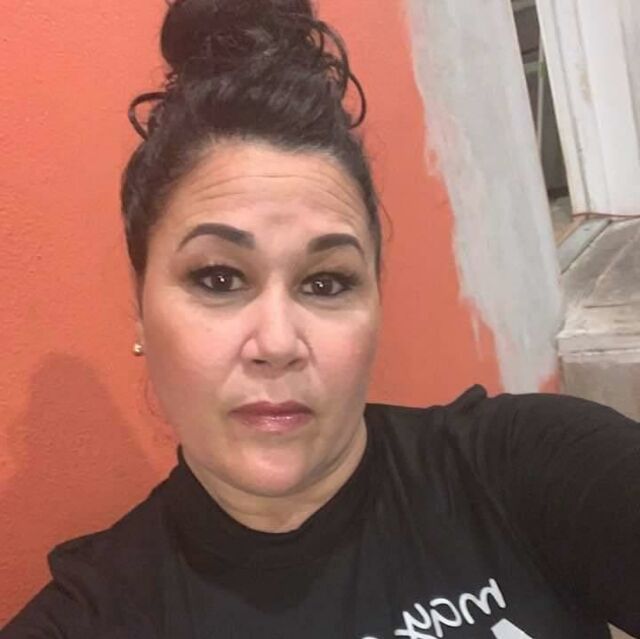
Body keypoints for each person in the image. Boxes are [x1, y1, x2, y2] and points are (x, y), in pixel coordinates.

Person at [2, 0, 639, 637]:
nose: (278, 342)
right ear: (141, 308)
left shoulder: (524, 472)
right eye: (219, 278)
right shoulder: (97, 615)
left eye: (325, 282)